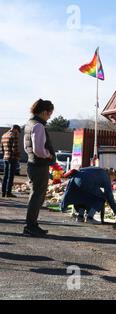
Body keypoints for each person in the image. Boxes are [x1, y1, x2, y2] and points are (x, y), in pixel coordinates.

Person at [23, 99, 56, 236]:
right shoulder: (38, 126)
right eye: (49, 113)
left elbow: (28, 147)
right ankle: (31, 226)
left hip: (32, 164)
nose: (50, 116)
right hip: (39, 165)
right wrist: (49, 155)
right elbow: (39, 150)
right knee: (37, 196)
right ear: (44, 112)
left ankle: (31, 225)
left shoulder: (29, 124)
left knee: (35, 195)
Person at [1, 125, 21, 198]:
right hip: (12, 158)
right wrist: (18, 156)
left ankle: (3, 192)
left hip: (5, 157)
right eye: (18, 132)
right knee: (11, 176)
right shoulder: (14, 135)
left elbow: (1, 148)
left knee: (5, 175)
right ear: (15, 129)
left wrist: (5, 155)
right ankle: (8, 192)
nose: (18, 133)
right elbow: (15, 148)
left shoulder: (4, 135)